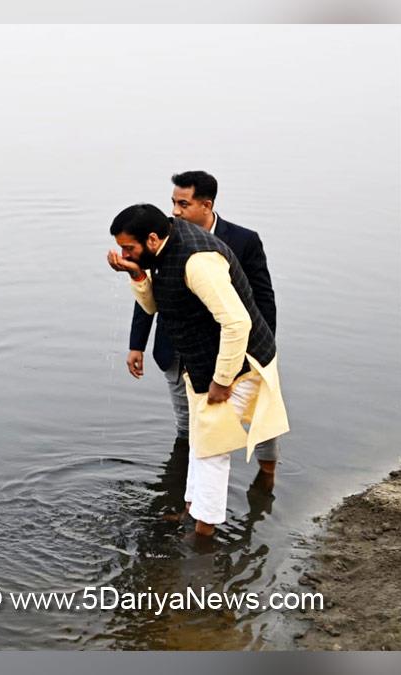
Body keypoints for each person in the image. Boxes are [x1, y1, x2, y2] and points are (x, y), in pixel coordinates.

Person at [107, 204, 289, 537]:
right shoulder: (164, 244)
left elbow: (237, 322)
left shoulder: (198, 260)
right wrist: (136, 274)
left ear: (151, 238)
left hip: (240, 363)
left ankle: (203, 535)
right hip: (204, 358)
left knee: (212, 450)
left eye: (128, 248)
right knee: (200, 440)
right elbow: (155, 306)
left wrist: (222, 380)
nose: (123, 253)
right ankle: (192, 509)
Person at [125, 171, 280, 490]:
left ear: (206, 205)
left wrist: (257, 355)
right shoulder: (162, 237)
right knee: (188, 428)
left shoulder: (242, 240)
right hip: (175, 351)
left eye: (183, 203)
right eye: (173, 202)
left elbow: (261, 298)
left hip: (233, 352)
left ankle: (266, 481)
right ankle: (183, 494)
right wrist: (136, 345)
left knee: (260, 424)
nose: (176, 210)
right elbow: (151, 291)